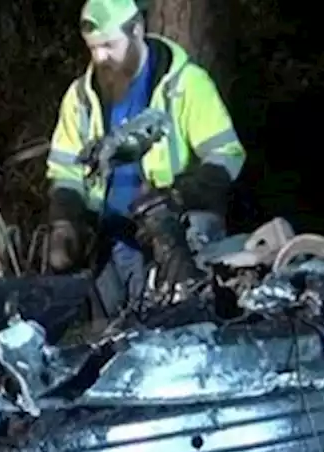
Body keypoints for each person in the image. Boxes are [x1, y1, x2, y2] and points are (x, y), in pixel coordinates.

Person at [45, 0, 247, 305]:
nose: (100, 57)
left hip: (177, 233)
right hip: (110, 239)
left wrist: (179, 195)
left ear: (137, 29)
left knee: (179, 328)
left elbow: (227, 154)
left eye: (109, 45)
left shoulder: (187, 84)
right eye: (93, 48)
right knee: (115, 337)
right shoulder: (79, 99)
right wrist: (65, 220)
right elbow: (65, 170)